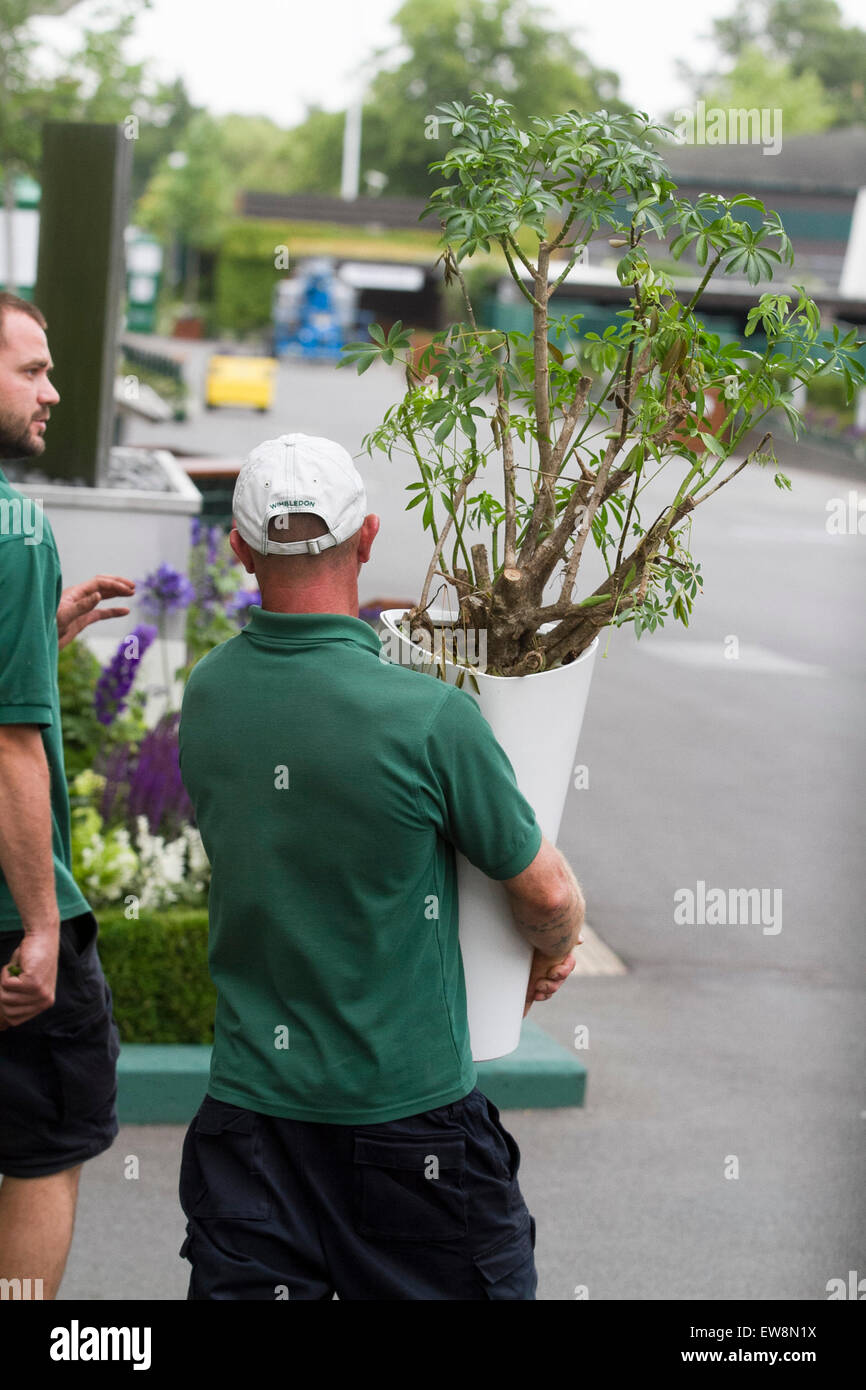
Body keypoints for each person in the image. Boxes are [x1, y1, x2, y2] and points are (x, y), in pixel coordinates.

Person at [177, 432, 585, 1301]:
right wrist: (546, 954)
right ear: (366, 538)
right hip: (411, 1133)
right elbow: (545, 892)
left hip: (250, 1125)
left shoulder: (207, 694)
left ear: (240, 549)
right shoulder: (431, 717)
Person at [0, 291, 135, 1301]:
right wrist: (42, 925)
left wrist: (35, 644)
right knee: (40, 1150)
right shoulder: (16, 528)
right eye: (31, 370)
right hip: (7, 923)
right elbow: (8, 748)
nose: (53, 391)